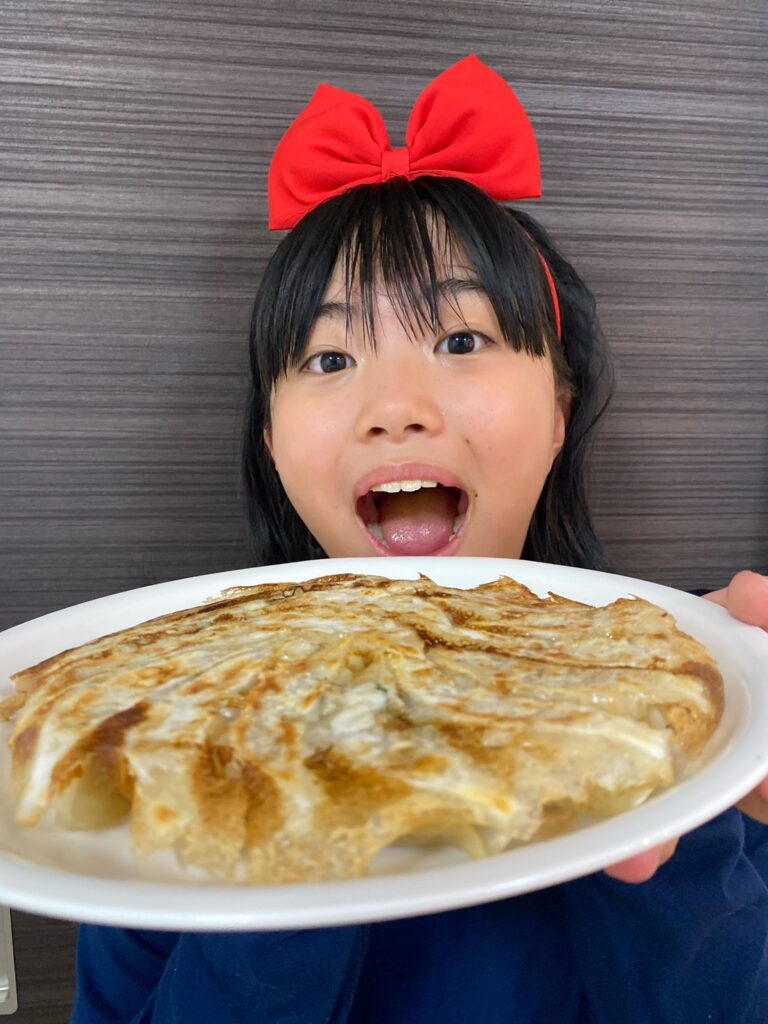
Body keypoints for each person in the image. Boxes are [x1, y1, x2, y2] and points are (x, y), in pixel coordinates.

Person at [70, 56, 768, 1023]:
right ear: (270, 439)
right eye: (329, 357)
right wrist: (274, 813)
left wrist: (679, 794)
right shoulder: (156, 735)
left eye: (460, 341)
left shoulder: (706, 696)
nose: (395, 406)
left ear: (560, 413)